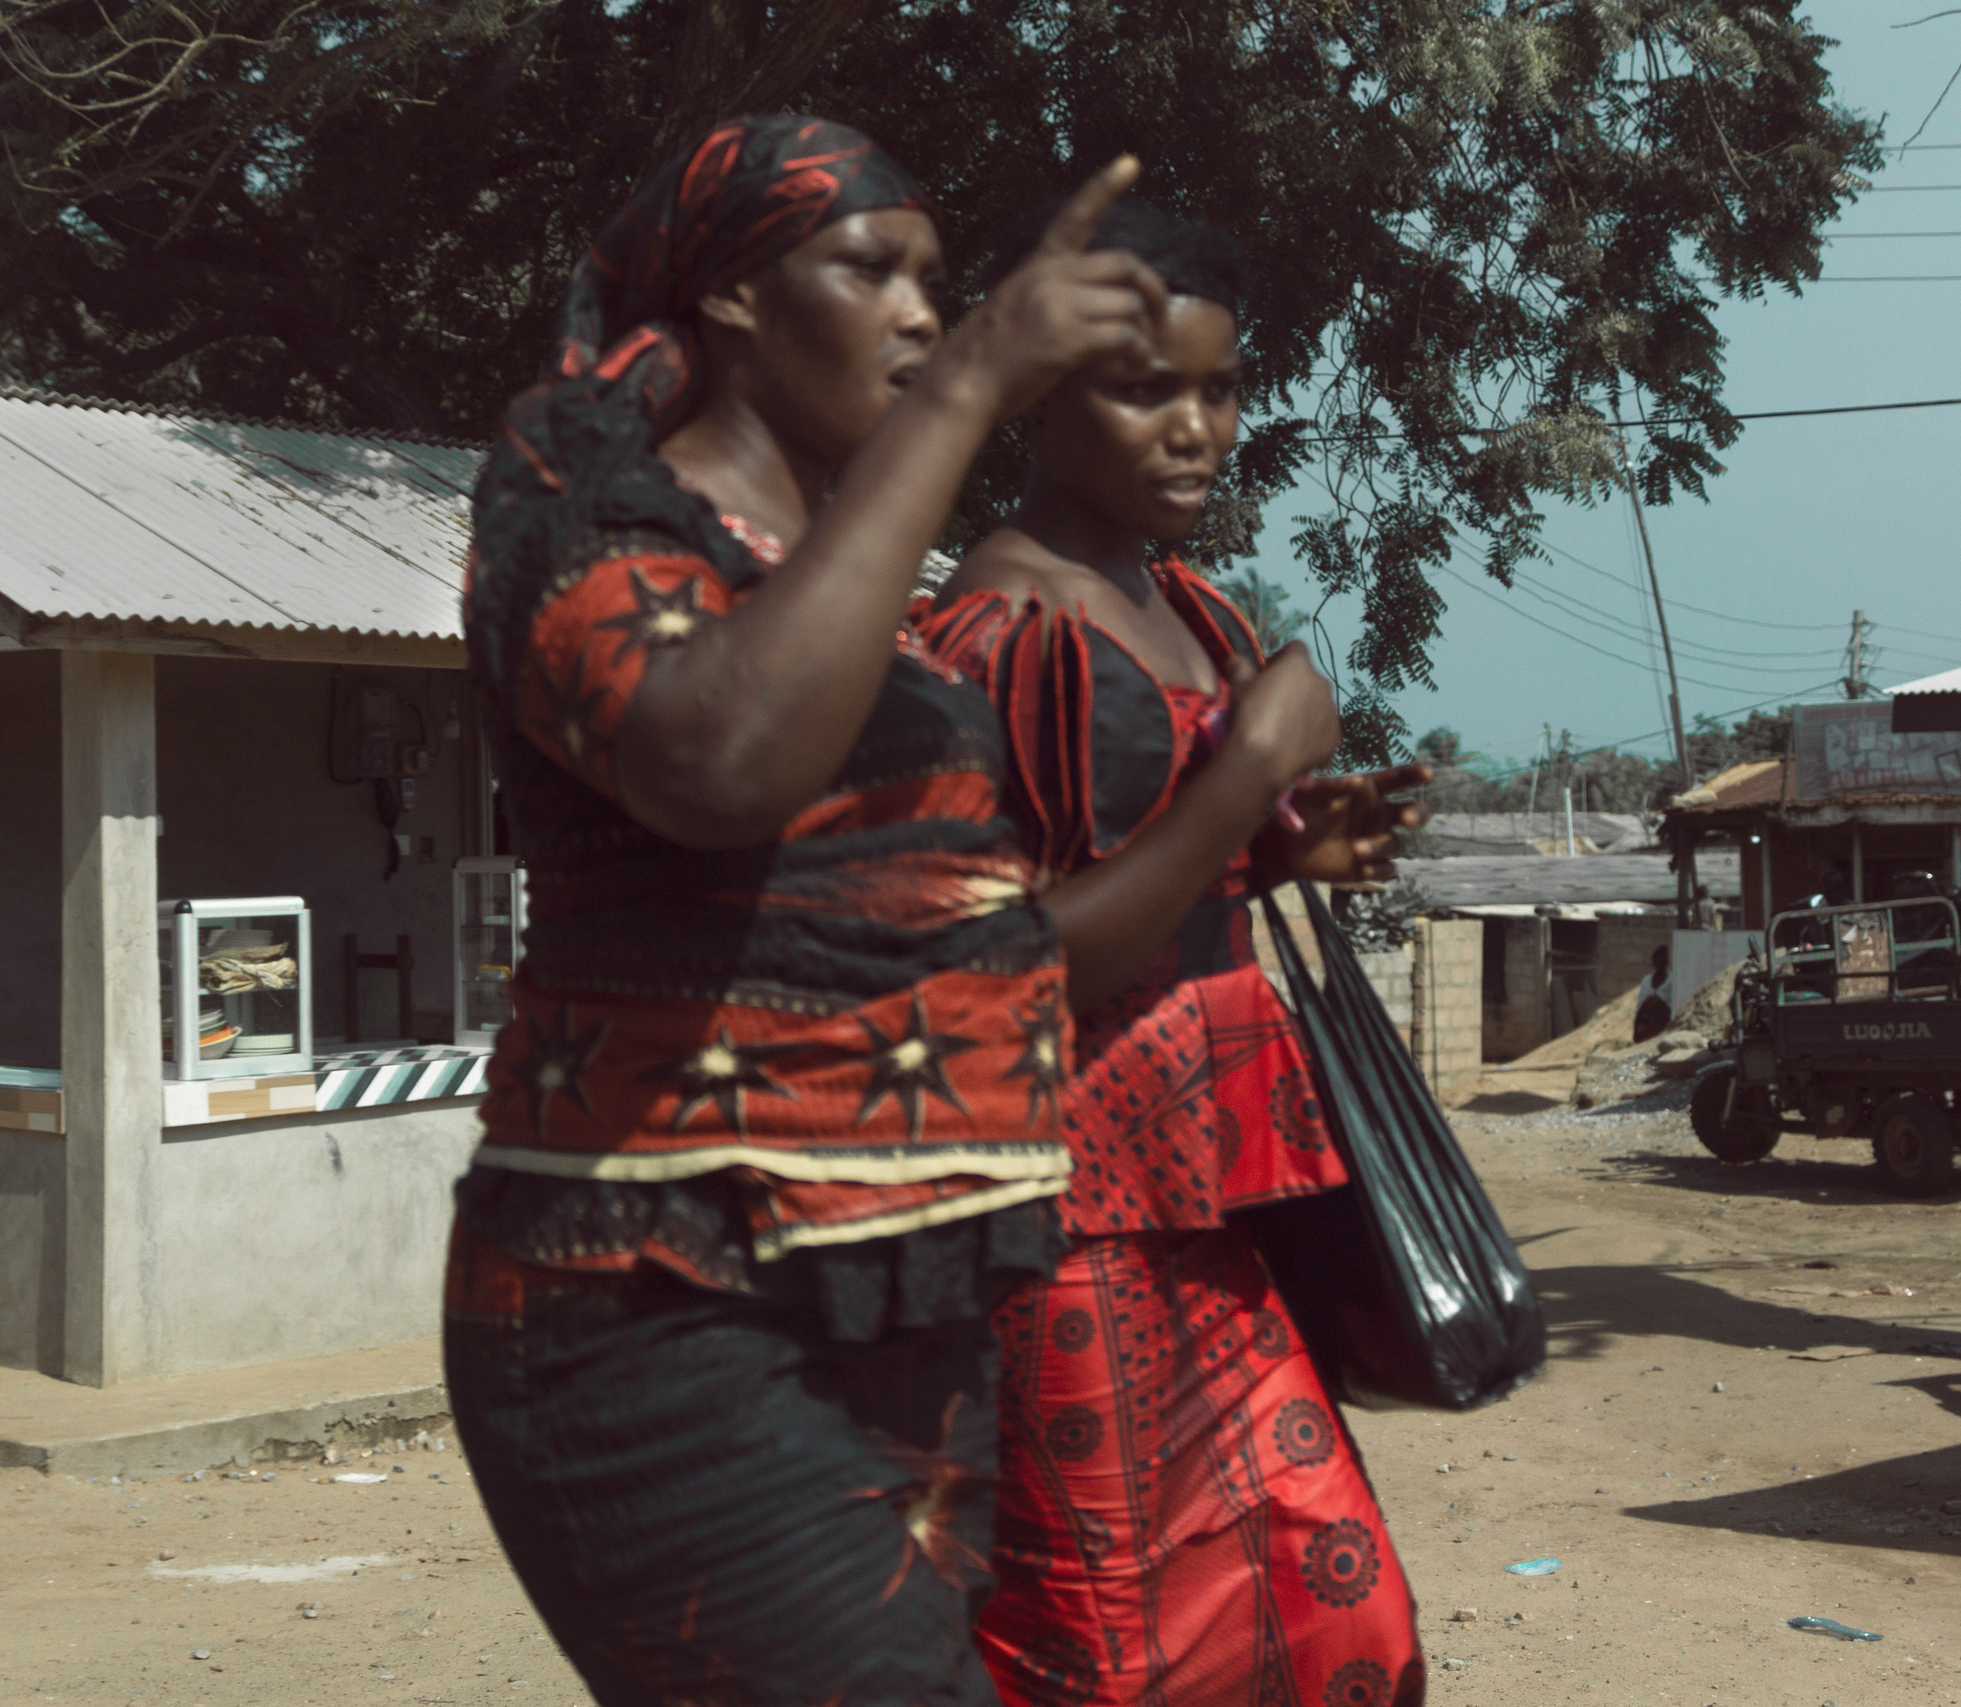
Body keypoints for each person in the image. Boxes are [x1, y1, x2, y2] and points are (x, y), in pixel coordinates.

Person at [446, 122, 1246, 1707]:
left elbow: (948, 915)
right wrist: (967, 398)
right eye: (870, 270)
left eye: (942, 290)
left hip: (900, 1293)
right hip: (667, 1297)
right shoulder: (585, 514)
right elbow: (719, 760)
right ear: (733, 298)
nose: (922, 319)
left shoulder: (855, 581)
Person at [924, 198, 1427, 1707]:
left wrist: (1284, 843)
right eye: (1150, 389)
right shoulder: (989, 631)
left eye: (1220, 389)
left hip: (1215, 1195)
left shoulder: (1184, 603)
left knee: (1333, 1613)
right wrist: (1240, 774)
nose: (1197, 427)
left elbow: (1162, 864)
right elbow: (1006, 966)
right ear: (1041, 396)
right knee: (1100, 1642)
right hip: (1061, 1213)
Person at [1634, 943, 1673, 1040]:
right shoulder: (1647, 980)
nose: (1659, 964)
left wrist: (1659, 1002)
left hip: (1663, 1022)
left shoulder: (1672, 980)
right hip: (1646, 1024)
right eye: (1657, 961)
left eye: (1661, 961)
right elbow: (1640, 1006)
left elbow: (1673, 1006)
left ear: (1666, 962)